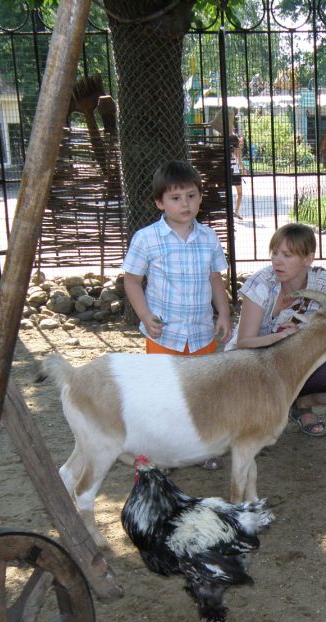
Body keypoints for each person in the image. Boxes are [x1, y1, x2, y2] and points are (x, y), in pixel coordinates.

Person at [122, 159, 232, 468]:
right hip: (164, 333)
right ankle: (162, 454)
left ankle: (200, 448)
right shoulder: (146, 238)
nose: (185, 203)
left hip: (200, 333)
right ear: (160, 202)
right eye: (175, 197)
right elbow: (131, 280)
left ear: (199, 196)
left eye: (191, 195)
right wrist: (145, 315)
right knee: (163, 395)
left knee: (200, 393)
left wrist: (222, 314)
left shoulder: (208, 238)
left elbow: (215, 279)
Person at [227, 223, 326, 436]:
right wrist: (281, 336)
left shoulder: (322, 283)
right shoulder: (261, 283)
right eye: (275, 253)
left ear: (307, 259)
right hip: (253, 362)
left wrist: (304, 334)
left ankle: (301, 404)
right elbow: (244, 342)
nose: (277, 260)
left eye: (287, 255)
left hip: (298, 361)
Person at [230, 123, 245, 220]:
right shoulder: (237, 150)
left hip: (228, 173)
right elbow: (239, 161)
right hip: (235, 173)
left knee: (228, 193)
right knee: (239, 193)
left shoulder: (225, 149)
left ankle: (230, 210)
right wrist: (244, 168)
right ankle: (236, 211)